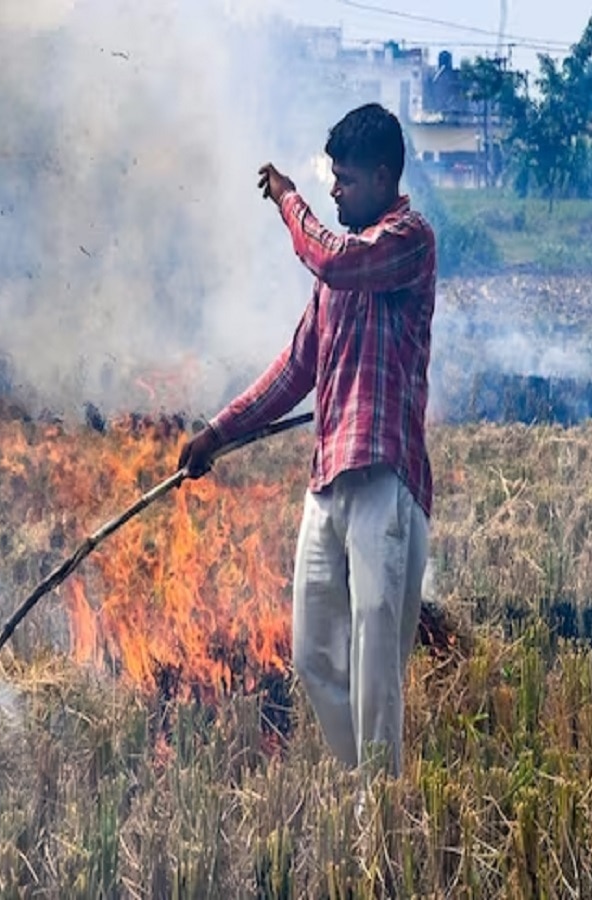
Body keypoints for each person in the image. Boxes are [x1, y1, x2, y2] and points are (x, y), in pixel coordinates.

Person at [178, 102, 436, 776]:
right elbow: (293, 371)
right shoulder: (335, 280)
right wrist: (215, 433)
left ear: (383, 177)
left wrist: (288, 200)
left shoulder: (405, 240)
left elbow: (332, 257)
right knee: (314, 655)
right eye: (329, 179)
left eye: (344, 179)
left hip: (384, 479)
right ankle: (365, 788)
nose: (334, 189)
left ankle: (377, 820)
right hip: (327, 485)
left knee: (377, 666)